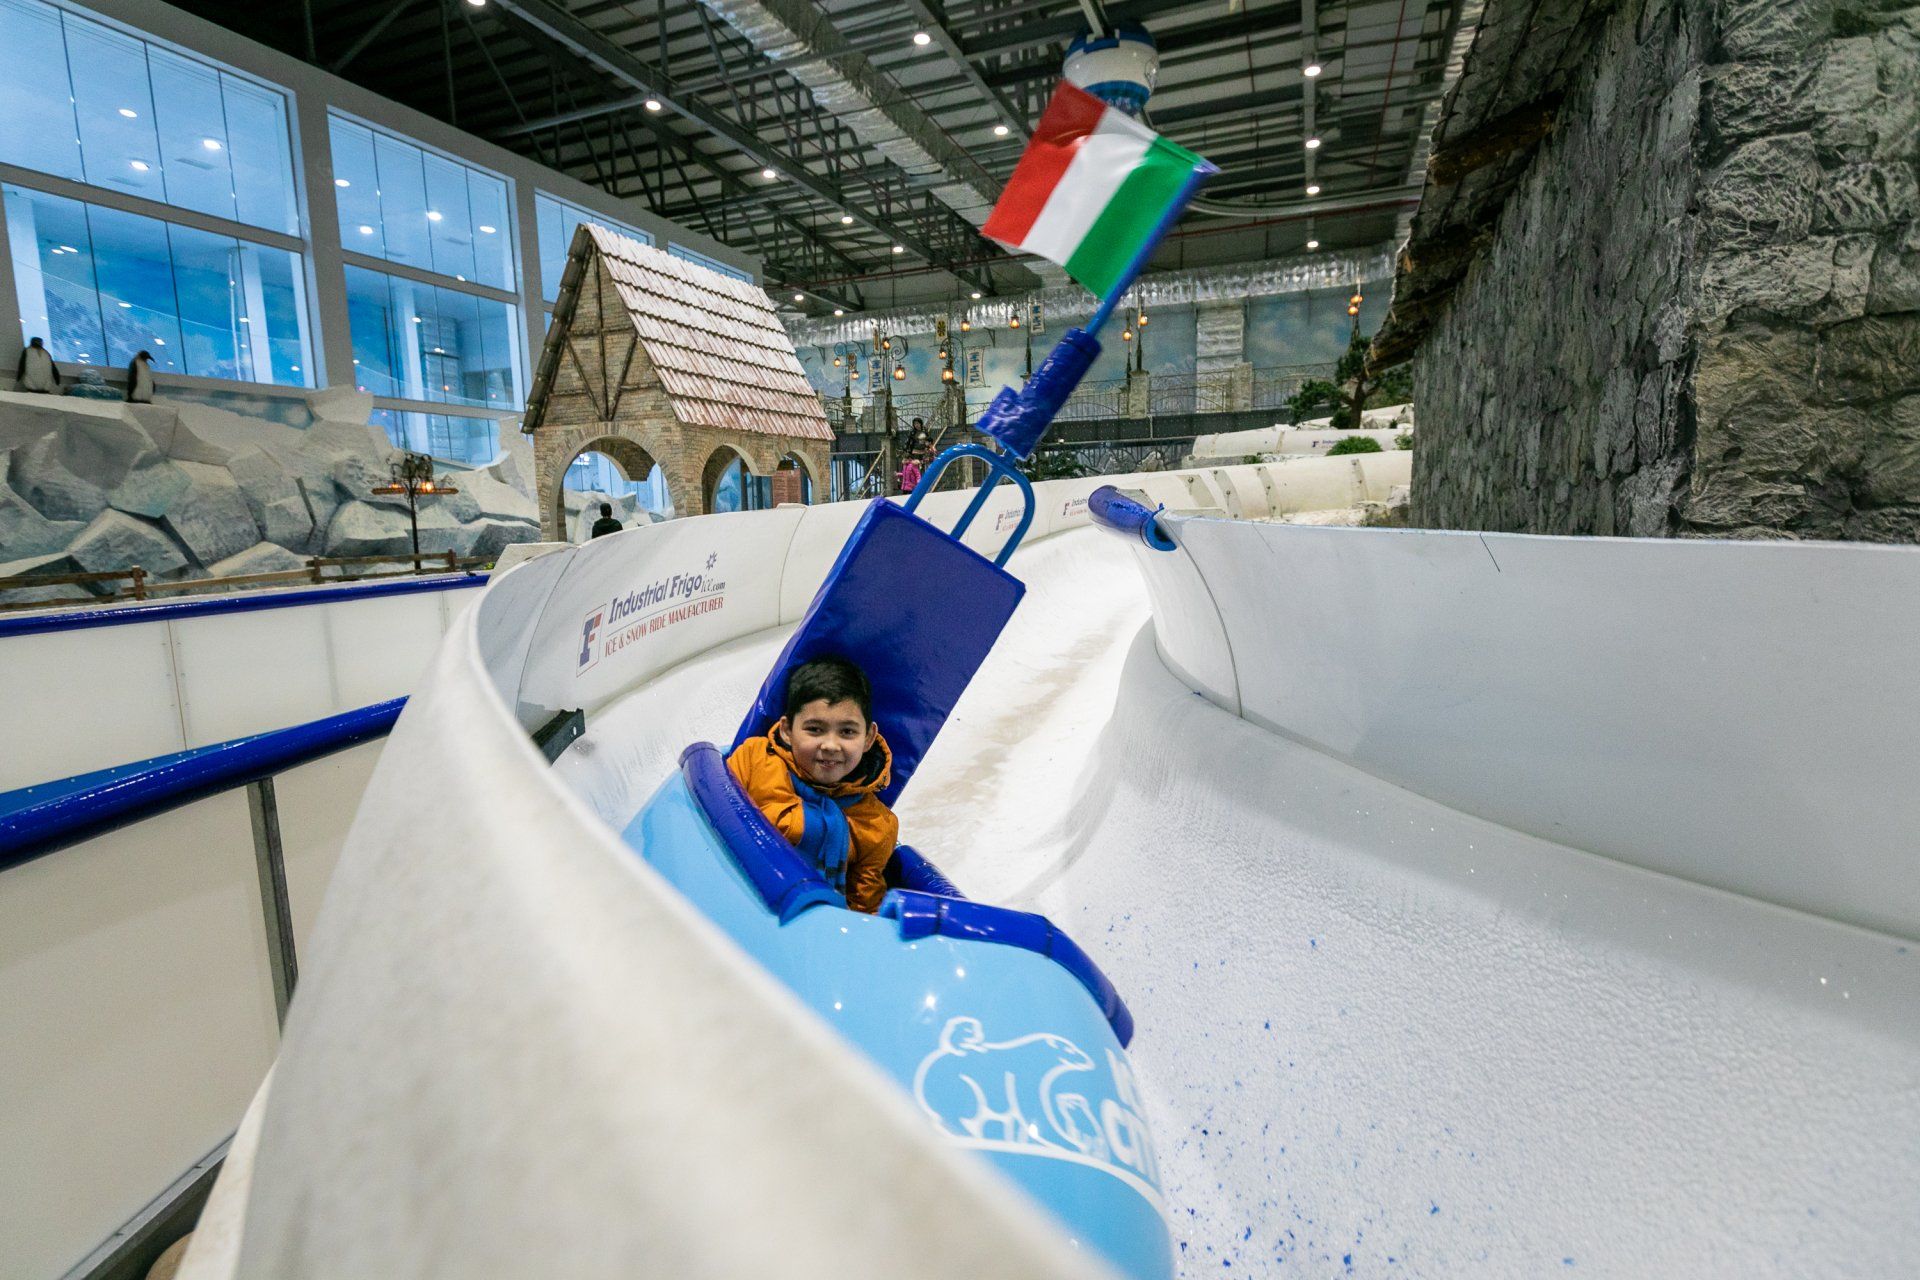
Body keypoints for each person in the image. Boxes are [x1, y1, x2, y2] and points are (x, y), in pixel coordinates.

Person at [728, 656, 897, 914]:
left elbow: (863, 908)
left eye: (847, 732)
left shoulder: (877, 824)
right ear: (787, 730)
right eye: (815, 729)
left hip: (809, 922)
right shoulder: (755, 759)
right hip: (736, 898)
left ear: (868, 737)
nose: (830, 745)